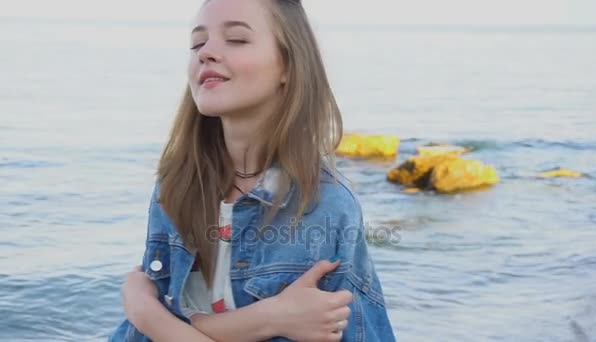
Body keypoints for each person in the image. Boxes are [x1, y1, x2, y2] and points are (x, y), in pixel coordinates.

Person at [108, 0, 395, 341]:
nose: (207, 52)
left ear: (288, 64)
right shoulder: (176, 184)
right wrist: (267, 318)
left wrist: (147, 313)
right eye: (197, 43)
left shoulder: (323, 207)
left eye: (237, 39)